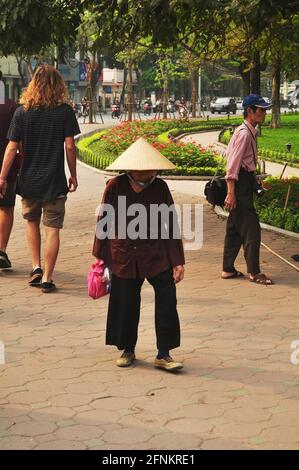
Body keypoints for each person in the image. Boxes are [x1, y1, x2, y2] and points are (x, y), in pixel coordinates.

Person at [92, 137, 185, 371]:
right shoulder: (115, 186)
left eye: (152, 169)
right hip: (123, 254)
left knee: (167, 299)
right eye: (144, 169)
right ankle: (127, 349)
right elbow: (104, 221)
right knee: (125, 302)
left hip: (156, 254)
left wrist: (177, 261)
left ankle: (164, 353)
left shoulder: (160, 188)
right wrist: (100, 257)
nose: (149, 172)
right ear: (132, 168)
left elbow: (171, 225)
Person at [0, 65, 80, 292]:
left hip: (29, 180)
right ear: (58, 85)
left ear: (33, 84)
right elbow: (70, 147)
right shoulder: (64, 111)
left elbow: (11, 148)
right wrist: (72, 175)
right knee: (52, 228)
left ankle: (35, 266)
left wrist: (2, 177)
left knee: (31, 222)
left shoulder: (22, 112)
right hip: (55, 181)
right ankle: (47, 276)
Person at [222, 94, 273, 285]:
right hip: (239, 185)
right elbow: (232, 165)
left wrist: (256, 180)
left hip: (245, 182)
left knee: (235, 229)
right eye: (260, 109)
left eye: (265, 109)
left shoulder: (249, 131)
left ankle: (227, 269)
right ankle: (254, 272)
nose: (264, 113)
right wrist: (231, 192)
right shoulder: (244, 134)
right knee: (252, 229)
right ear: (250, 111)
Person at [0, 71, 18, 269]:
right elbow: (17, 142)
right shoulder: (12, 107)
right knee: (5, 207)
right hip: (7, 167)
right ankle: (1, 250)